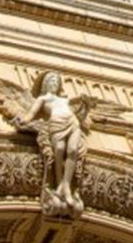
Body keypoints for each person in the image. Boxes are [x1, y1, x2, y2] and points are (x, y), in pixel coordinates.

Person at [13, 70, 85, 217]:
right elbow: (31, 114)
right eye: (50, 81)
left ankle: (66, 186)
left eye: (56, 81)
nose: (54, 83)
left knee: (72, 151)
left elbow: (81, 115)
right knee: (59, 149)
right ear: (45, 85)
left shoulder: (66, 101)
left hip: (73, 123)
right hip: (56, 125)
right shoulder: (43, 99)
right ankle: (59, 182)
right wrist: (23, 121)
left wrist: (87, 106)